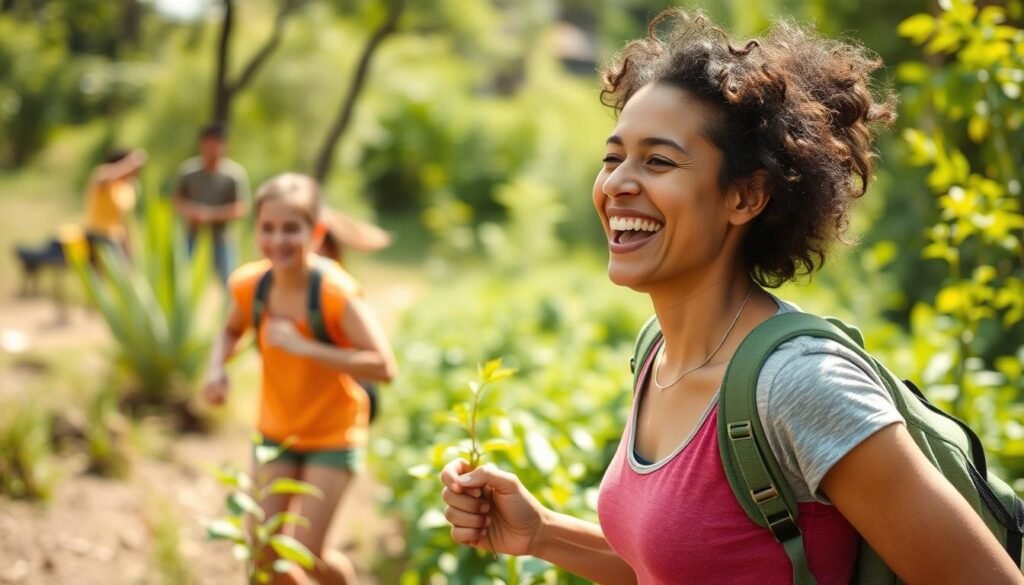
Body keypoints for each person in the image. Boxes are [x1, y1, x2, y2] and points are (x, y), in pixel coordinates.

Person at [439, 9, 1024, 585]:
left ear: (744, 198)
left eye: (659, 161)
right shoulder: (658, 355)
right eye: (613, 158)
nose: (618, 183)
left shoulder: (797, 386)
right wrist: (541, 533)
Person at [203, 173, 397, 585]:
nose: (279, 240)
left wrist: (306, 347)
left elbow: (384, 366)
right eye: (268, 228)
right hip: (276, 434)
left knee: (308, 557)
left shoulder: (335, 292)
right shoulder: (249, 285)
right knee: (263, 557)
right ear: (255, 230)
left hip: (333, 433)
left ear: (316, 231)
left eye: (291, 228)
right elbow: (230, 330)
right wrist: (216, 368)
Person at [172, 122, 250, 285]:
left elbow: (241, 208)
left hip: (221, 239)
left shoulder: (233, 175)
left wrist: (210, 215)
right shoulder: (188, 171)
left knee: (228, 283)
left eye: (217, 143)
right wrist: (191, 211)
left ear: (225, 145)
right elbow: (177, 201)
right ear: (201, 143)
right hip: (192, 236)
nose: (212, 148)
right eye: (208, 142)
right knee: (183, 282)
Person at [84, 148, 147, 262]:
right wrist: (130, 163)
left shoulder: (130, 187)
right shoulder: (103, 176)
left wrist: (129, 244)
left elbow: (126, 218)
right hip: (99, 234)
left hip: (117, 237)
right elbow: (102, 178)